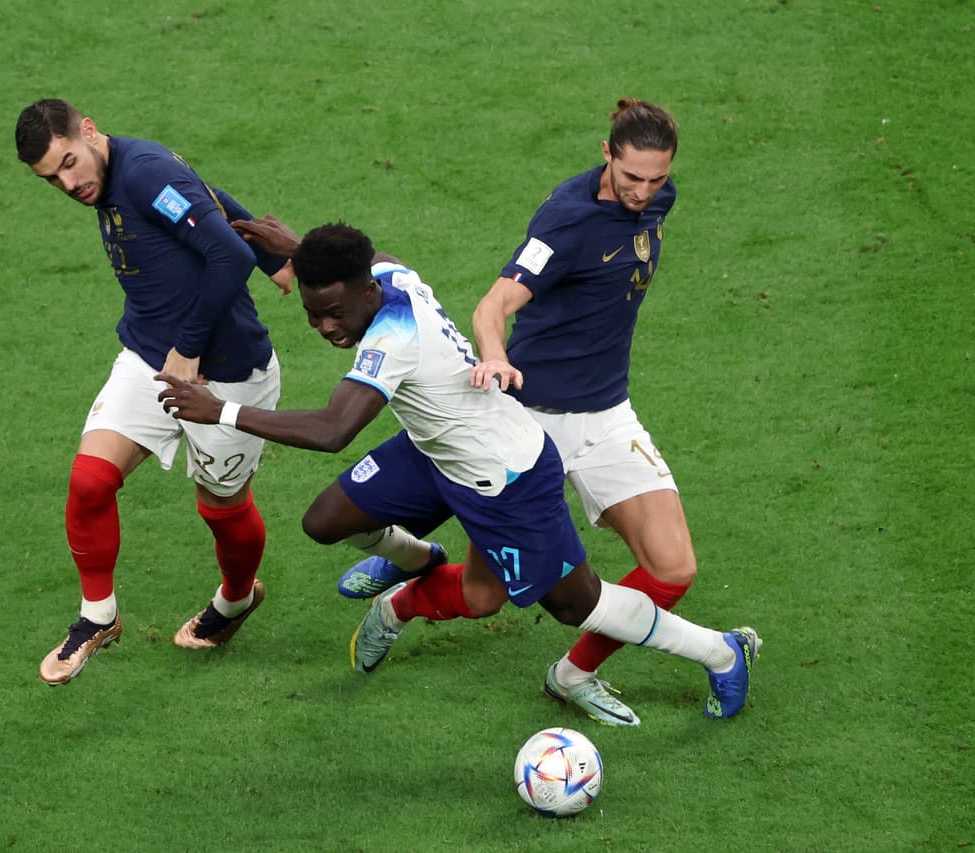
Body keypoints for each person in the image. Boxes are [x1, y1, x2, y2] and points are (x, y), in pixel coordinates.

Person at [156, 219, 760, 720]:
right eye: (314, 315)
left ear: (365, 293)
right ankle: (421, 561)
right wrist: (297, 249)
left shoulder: (393, 339)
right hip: (435, 451)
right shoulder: (389, 276)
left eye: (334, 312)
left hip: (508, 480)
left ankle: (719, 651)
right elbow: (382, 253)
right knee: (325, 521)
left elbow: (332, 430)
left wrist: (221, 410)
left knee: (578, 604)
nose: (325, 328)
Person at [14, 98, 293, 685]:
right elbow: (205, 196)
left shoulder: (141, 172)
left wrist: (191, 345)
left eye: (70, 162)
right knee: (90, 481)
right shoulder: (126, 171)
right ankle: (98, 618)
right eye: (52, 178)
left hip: (226, 373)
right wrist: (279, 261)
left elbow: (226, 253)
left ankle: (237, 599)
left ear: (87, 130)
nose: (69, 184)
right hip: (150, 357)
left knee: (221, 507)